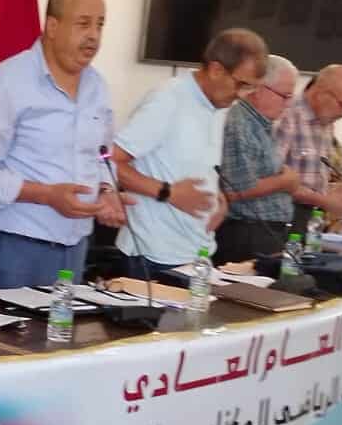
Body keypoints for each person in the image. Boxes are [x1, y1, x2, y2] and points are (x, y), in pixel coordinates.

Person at [0, 0, 131, 288]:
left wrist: (106, 190)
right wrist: (45, 195)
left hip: (76, 249)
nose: (93, 35)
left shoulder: (98, 88)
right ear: (52, 26)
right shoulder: (7, 82)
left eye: (100, 25)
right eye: (83, 24)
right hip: (16, 247)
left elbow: (102, 155)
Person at [110, 29, 268, 280]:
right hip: (152, 256)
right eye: (241, 84)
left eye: (251, 88)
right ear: (216, 70)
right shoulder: (168, 98)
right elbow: (110, 162)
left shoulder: (219, 105)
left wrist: (218, 197)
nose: (242, 95)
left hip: (196, 254)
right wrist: (168, 192)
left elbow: (189, 165)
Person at [215, 54, 301, 263]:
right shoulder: (239, 124)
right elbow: (235, 189)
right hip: (247, 235)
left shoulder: (261, 124)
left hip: (264, 233)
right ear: (259, 89)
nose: (289, 104)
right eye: (285, 96)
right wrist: (285, 181)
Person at [273, 63, 342, 228]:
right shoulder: (285, 116)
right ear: (321, 94)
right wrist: (325, 201)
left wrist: (334, 190)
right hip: (282, 219)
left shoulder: (326, 121)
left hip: (311, 220)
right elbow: (273, 180)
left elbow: (309, 179)